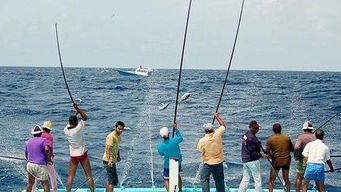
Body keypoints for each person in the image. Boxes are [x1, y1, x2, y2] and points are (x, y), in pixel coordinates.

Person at [64, 103, 94, 192]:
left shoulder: (66, 130)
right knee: (89, 175)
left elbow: (71, 122)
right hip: (82, 154)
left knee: (70, 176)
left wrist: (75, 113)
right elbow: (85, 117)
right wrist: (77, 108)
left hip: (73, 155)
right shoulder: (79, 128)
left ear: (69, 122)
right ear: (77, 122)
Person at [197, 112, 226, 192]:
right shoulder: (217, 134)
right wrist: (217, 117)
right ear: (213, 129)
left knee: (204, 179)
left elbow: (200, 150)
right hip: (219, 162)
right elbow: (223, 125)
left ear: (205, 131)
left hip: (208, 163)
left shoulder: (202, 140)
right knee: (219, 180)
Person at [238, 120, 269, 192]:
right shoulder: (252, 139)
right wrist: (262, 155)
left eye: (257, 128)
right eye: (255, 128)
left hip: (245, 160)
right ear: (251, 128)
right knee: (258, 179)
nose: (257, 129)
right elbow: (252, 153)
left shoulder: (246, 134)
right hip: (252, 161)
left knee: (245, 179)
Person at [265, 123, 294, 192]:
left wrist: (272, 157)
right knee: (286, 179)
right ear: (281, 129)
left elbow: (267, 152)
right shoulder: (287, 138)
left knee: (271, 180)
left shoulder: (270, 139)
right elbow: (292, 149)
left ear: (273, 130)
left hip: (276, 161)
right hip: (286, 160)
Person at [32, 121, 58, 192]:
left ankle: (32, 190)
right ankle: (55, 191)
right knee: (52, 177)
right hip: (46, 160)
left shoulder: (38, 135)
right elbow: (49, 147)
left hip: (37, 160)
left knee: (35, 177)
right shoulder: (49, 136)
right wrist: (51, 157)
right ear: (49, 129)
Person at [25, 125, 52, 192]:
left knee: (30, 183)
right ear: (41, 133)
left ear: (33, 133)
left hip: (29, 164)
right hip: (40, 165)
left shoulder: (28, 141)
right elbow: (46, 149)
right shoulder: (44, 140)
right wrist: (48, 160)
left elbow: (26, 154)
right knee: (45, 184)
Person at [157, 122, 183, 192]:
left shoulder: (160, 146)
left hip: (167, 165)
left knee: (166, 179)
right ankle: (180, 190)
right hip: (178, 162)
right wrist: (176, 129)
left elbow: (161, 154)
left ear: (162, 136)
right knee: (177, 175)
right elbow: (181, 138)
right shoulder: (175, 140)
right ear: (169, 133)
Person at [102, 121, 125, 192]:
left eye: (122, 129)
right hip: (108, 161)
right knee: (112, 182)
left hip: (112, 160)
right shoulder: (111, 136)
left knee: (113, 181)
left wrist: (118, 156)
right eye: (119, 129)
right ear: (115, 128)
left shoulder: (118, 136)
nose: (120, 130)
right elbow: (107, 149)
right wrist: (109, 161)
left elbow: (117, 147)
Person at [294, 121, 316, 192]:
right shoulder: (315, 137)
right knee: (310, 180)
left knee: (299, 178)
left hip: (304, 160)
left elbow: (296, 147)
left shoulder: (301, 137)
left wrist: (298, 156)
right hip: (314, 160)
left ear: (304, 129)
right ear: (311, 129)